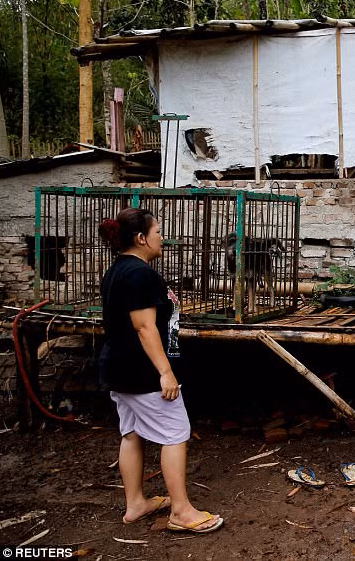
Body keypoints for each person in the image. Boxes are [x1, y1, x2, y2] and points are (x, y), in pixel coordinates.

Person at [98, 208, 224, 534]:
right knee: (176, 432)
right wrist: (165, 372)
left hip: (119, 367)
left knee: (132, 433)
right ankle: (181, 511)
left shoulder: (117, 271)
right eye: (157, 232)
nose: (161, 237)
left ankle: (136, 504)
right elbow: (144, 327)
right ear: (141, 239)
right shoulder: (140, 274)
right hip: (142, 373)